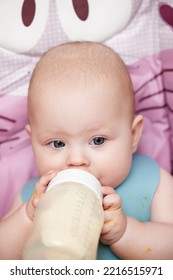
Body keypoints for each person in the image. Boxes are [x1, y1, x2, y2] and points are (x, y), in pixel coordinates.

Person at [1, 41, 173, 260]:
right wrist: (27, 219)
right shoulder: (32, 199)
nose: (76, 160)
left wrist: (127, 234)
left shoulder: (153, 180)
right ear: (33, 140)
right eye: (57, 144)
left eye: (98, 140)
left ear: (133, 136)